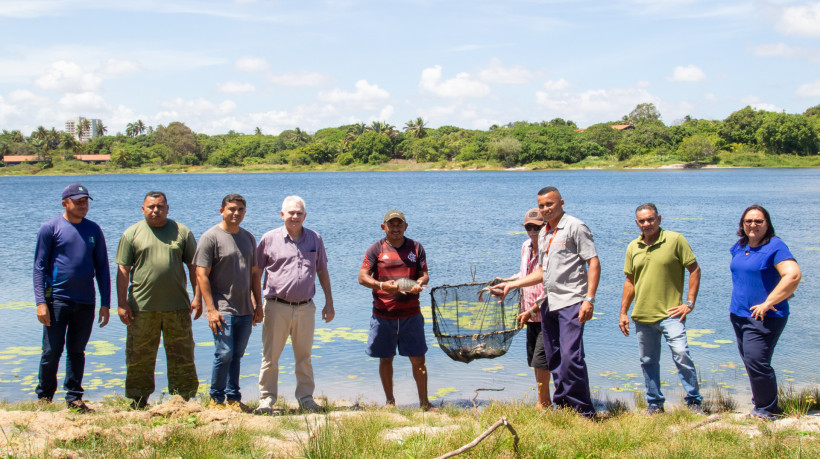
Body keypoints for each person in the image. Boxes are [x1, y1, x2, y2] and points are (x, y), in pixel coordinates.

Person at [495, 186, 599, 417]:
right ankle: (563, 406)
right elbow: (541, 272)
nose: (545, 209)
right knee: (554, 358)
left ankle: (584, 410)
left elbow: (593, 262)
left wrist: (589, 299)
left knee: (572, 357)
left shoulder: (575, 227)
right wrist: (513, 284)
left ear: (561, 202)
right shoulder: (544, 233)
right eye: (542, 205)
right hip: (549, 303)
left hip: (572, 301)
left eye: (549, 204)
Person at [116, 191, 202, 409]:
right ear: (143, 209)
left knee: (182, 354)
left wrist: (197, 297)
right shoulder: (132, 233)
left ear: (167, 208)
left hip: (178, 307)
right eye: (151, 207)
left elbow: (194, 268)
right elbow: (123, 270)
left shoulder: (181, 232)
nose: (156, 210)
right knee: (139, 356)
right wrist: (121, 303)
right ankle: (138, 399)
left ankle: (182, 399)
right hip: (141, 308)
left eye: (160, 206)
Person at [618, 203, 703, 414]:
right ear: (636, 223)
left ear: (659, 219)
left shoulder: (675, 240)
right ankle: (655, 403)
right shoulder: (632, 247)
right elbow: (630, 282)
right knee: (648, 361)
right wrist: (623, 313)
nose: (647, 224)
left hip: (671, 314)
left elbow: (694, 269)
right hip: (642, 316)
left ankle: (694, 400)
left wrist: (689, 302)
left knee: (682, 354)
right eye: (642, 221)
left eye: (651, 219)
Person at [33, 183, 110, 413]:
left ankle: (74, 397)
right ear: (65, 203)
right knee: (51, 350)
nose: (83, 205)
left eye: (85, 201)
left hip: (85, 301)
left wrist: (106, 303)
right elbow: (39, 268)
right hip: (57, 300)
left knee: (77, 350)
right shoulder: (50, 228)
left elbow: (103, 269)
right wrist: (40, 302)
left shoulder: (94, 230)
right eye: (78, 201)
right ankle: (44, 397)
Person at [255, 196, 334, 414]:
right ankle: (266, 399)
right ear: (282, 215)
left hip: (305, 307)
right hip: (275, 306)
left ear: (305, 216)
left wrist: (329, 302)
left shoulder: (315, 239)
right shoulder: (269, 239)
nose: (295, 216)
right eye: (291, 213)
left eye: (299, 213)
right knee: (270, 356)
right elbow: (256, 272)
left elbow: (322, 271)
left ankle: (306, 398)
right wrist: (255, 302)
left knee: (304, 356)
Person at [729, 204, 801, 420]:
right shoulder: (739, 246)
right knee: (751, 361)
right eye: (748, 221)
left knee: (756, 360)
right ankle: (760, 402)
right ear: (742, 224)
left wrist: (768, 302)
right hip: (739, 314)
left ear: (767, 224)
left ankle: (767, 410)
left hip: (766, 316)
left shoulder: (775, 247)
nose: (753, 225)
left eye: (759, 221)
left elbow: (793, 275)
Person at [193, 194, 263, 412]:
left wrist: (258, 304)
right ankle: (216, 398)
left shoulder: (249, 238)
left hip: (244, 307)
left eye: (240, 209)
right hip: (222, 308)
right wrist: (211, 309)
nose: (236, 213)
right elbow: (201, 275)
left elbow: (254, 274)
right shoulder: (210, 237)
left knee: (237, 354)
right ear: (222, 210)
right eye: (232, 209)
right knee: (224, 352)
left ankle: (233, 398)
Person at [358, 210, 433, 410]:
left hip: (412, 316)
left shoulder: (416, 248)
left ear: (406, 226)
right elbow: (362, 277)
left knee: (419, 359)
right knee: (385, 359)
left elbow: (424, 275)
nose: (396, 228)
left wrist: (418, 283)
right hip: (384, 315)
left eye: (399, 224)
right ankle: (390, 402)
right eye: (392, 225)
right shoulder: (375, 249)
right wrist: (382, 286)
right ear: (384, 227)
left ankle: (424, 403)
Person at [511, 208, 551, 409]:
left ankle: (542, 403)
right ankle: (545, 400)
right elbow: (523, 274)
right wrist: (505, 282)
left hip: (546, 313)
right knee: (534, 359)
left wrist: (532, 310)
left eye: (538, 226)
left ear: (546, 226)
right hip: (529, 314)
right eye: (529, 227)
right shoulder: (525, 246)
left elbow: (551, 286)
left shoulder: (550, 248)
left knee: (542, 360)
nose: (533, 230)